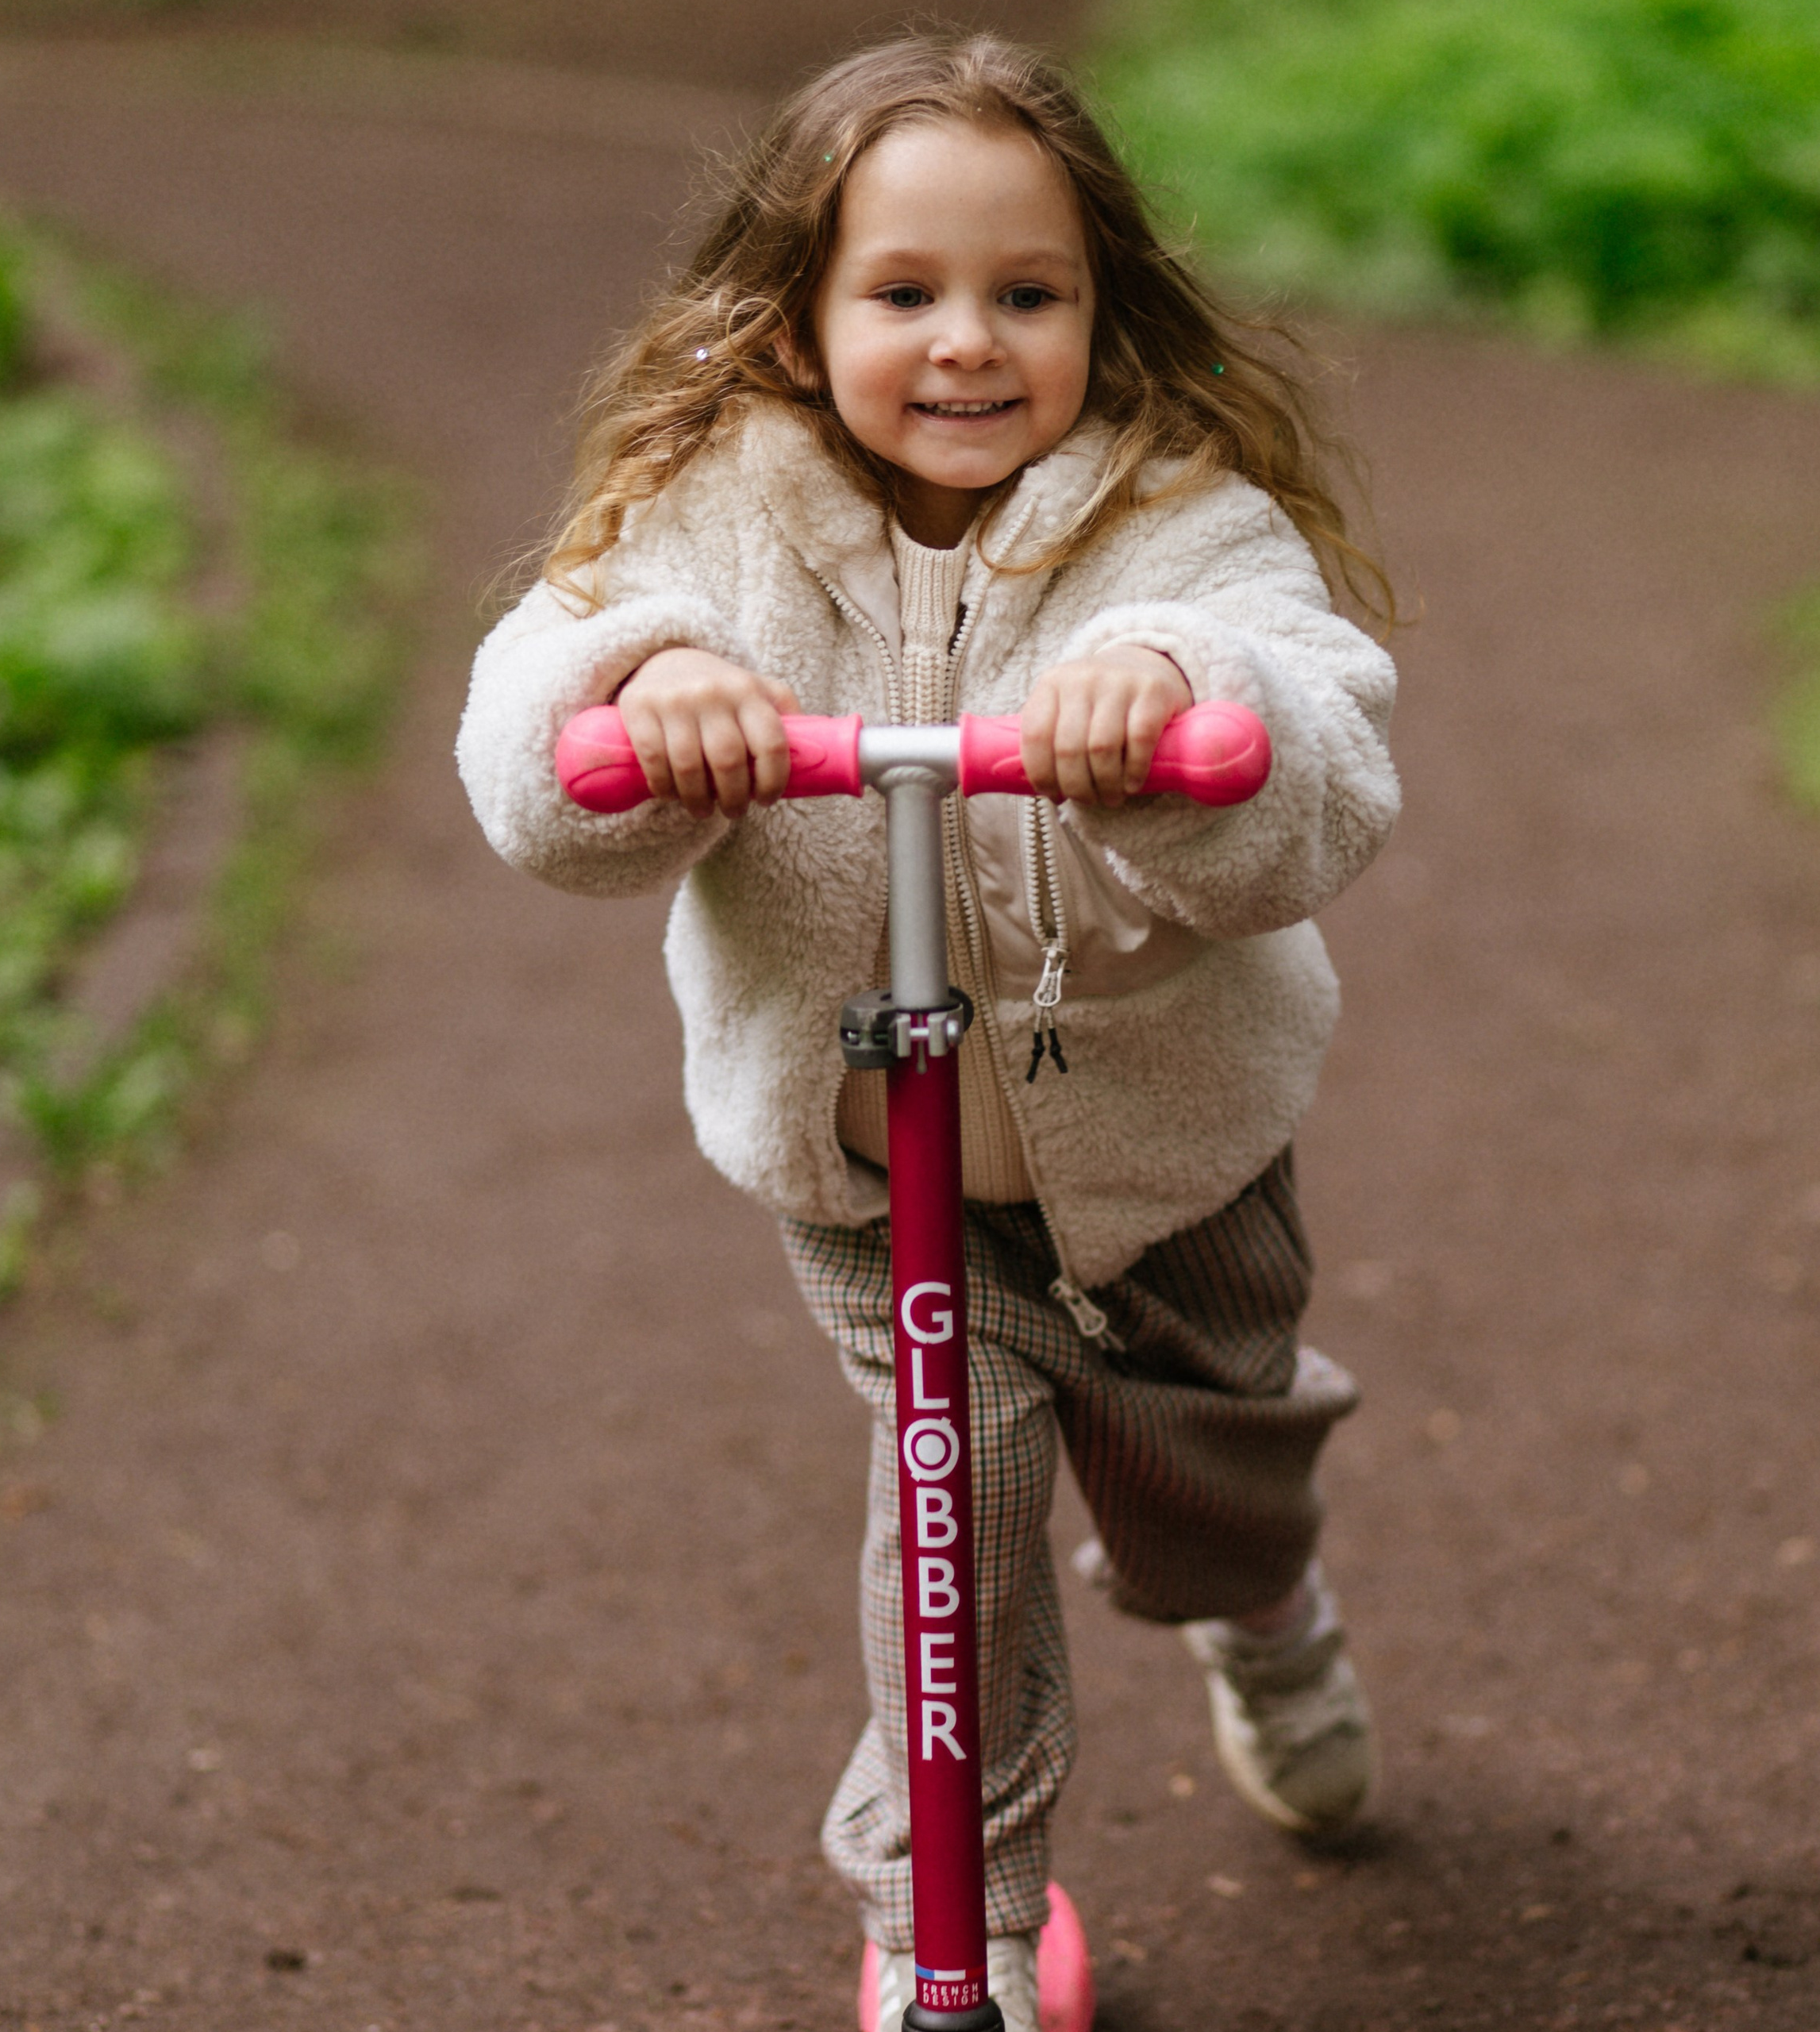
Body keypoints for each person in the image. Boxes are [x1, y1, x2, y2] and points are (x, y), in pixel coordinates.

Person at [457, 33, 1399, 2032]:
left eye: (1023, 293)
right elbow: (533, 746)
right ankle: (941, 1925)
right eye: (902, 292)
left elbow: (1320, 758)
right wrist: (642, 682)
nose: (965, 341)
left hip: (1162, 1161)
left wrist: (1180, 692)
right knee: (950, 1515)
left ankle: (1264, 1608)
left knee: (1205, 1500)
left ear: (1096, 309)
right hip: (868, 1168)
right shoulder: (702, 524)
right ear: (795, 317)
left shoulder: (1177, 522)